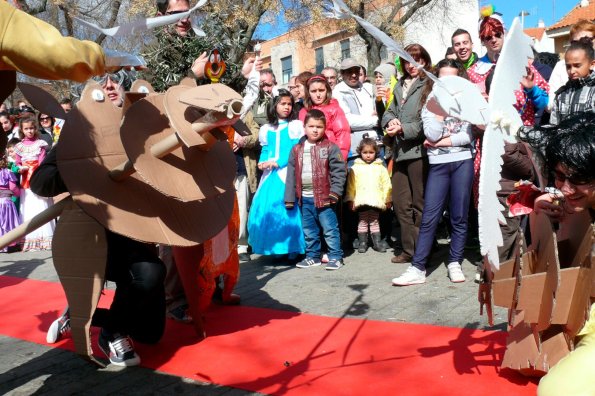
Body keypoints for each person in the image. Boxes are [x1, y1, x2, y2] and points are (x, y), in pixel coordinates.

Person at [40, 72, 166, 367]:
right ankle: (112, 331)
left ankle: (82, 314)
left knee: (150, 334)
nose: (109, 85)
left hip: (134, 233)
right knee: (150, 272)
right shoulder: (79, 135)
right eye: (101, 81)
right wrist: (85, 167)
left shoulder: (143, 131)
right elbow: (41, 181)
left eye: (116, 79)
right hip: (92, 237)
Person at [515, 112, 595, 396]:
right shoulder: (572, 206)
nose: (565, 188)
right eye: (559, 176)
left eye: (578, 179)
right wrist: (545, 216)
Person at [392, 59, 474, 286]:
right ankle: (418, 267)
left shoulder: (466, 102)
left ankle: (455, 262)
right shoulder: (430, 102)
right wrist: (440, 112)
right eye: (442, 78)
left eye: (452, 79)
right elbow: (431, 134)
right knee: (429, 216)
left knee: (459, 216)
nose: (446, 83)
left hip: (462, 161)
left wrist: (442, 142)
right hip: (438, 165)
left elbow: (467, 137)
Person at [382, 43, 432, 264]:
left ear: (424, 61)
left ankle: (423, 252)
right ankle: (409, 250)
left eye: (417, 60)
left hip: (419, 152)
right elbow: (388, 113)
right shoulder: (399, 86)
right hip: (399, 152)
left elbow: (428, 121)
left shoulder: (429, 84)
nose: (413, 65)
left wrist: (404, 128)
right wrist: (390, 121)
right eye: (408, 60)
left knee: (420, 205)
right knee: (402, 204)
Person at [285, 109, 346, 270]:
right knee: (309, 230)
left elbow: (339, 172)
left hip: (325, 198)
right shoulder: (296, 149)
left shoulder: (331, 148)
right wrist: (290, 198)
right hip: (304, 198)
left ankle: (335, 256)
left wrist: (335, 192)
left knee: (330, 229)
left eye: (319, 126)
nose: (315, 130)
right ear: (304, 127)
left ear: (324, 128)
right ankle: (313, 256)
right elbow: (291, 174)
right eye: (311, 126)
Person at [247, 89, 305, 256]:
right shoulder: (266, 129)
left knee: (287, 206)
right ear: (274, 106)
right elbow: (265, 148)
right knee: (266, 208)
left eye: (289, 104)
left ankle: (292, 248)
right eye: (283, 104)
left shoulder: (295, 126)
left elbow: (293, 149)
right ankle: (272, 247)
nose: (286, 107)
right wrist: (262, 162)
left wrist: (278, 162)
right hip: (269, 174)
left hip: (287, 171)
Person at [345, 137, 391, 253]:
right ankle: (363, 243)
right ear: (360, 152)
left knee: (375, 221)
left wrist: (388, 198)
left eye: (371, 152)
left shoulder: (381, 168)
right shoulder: (355, 168)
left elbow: (387, 184)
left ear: (376, 152)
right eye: (365, 152)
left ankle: (377, 242)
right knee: (363, 221)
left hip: (376, 201)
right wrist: (350, 200)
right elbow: (351, 186)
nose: (368, 155)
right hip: (361, 201)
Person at [14, 116, 54, 251]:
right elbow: (17, 162)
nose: (29, 131)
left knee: (41, 204)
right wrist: (20, 168)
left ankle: (45, 238)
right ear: (22, 130)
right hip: (25, 180)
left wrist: (35, 170)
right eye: (26, 129)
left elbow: (42, 162)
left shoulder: (40, 144)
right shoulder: (19, 146)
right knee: (28, 207)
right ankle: (30, 239)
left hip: (37, 176)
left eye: (31, 128)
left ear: (35, 128)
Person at [333, 58, 378, 162]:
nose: (354, 75)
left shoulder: (369, 88)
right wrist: (375, 121)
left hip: (376, 146)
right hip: (355, 150)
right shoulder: (338, 92)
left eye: (356, 71)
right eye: (349, 72)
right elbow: (348, 121)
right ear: (342, 74)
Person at [298, 74, 350, 160]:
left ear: (327, 91)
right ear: (308, 92)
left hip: (330, 157)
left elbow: (343, 136)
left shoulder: (335, 109)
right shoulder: (303, 112)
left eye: (321, 90)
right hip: (309, 158)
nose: (318, 94)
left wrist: (339, 160)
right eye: (313, 91)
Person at [548, 19, 595, 109]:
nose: (581, 45)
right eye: (575, 42)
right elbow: (551, 104)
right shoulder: (561, 67)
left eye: (587, 40)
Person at [550, 38, 595, 125]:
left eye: (577, 65)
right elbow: (554, 124)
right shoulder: (561, 94)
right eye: (568, 67)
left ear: (592, 64)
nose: (572, 71)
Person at [0, 153, 21, 252]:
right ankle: (10, 244)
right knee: (9, 222)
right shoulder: (8, 172)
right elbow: (13, 187)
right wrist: (18, 194)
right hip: (6, 202)